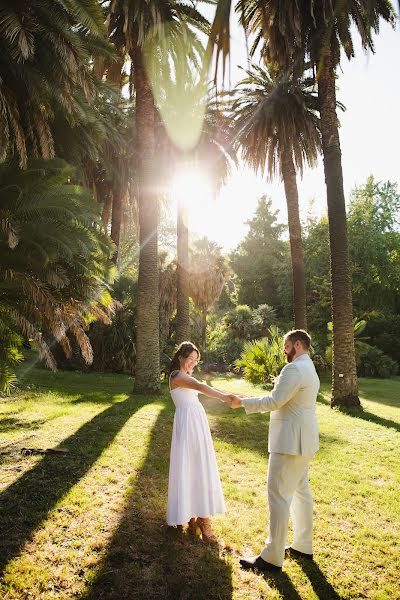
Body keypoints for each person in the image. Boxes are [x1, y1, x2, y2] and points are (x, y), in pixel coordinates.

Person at [230, 329, 320, 572]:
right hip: (305, 442)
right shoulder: (309, 367)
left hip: (289, 443)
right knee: (301, 492)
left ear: (298, 344)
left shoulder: (294, 369)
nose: (284, 349)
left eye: (286, 345)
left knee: (278, 495)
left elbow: (274, 401)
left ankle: (271, 557)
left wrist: (242, 402)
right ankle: (303, 545)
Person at [167, 341, 235, 542]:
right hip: (188, 426)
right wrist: (224, 397)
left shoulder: (185, 376)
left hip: (196, 424)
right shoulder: (176, 376)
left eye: (195, 361)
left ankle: (195, 517)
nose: (192, 364)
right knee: (194, 467)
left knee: (198, 467)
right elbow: (199, 386)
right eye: (190, 360)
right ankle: (203, 522)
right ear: (180, 357)